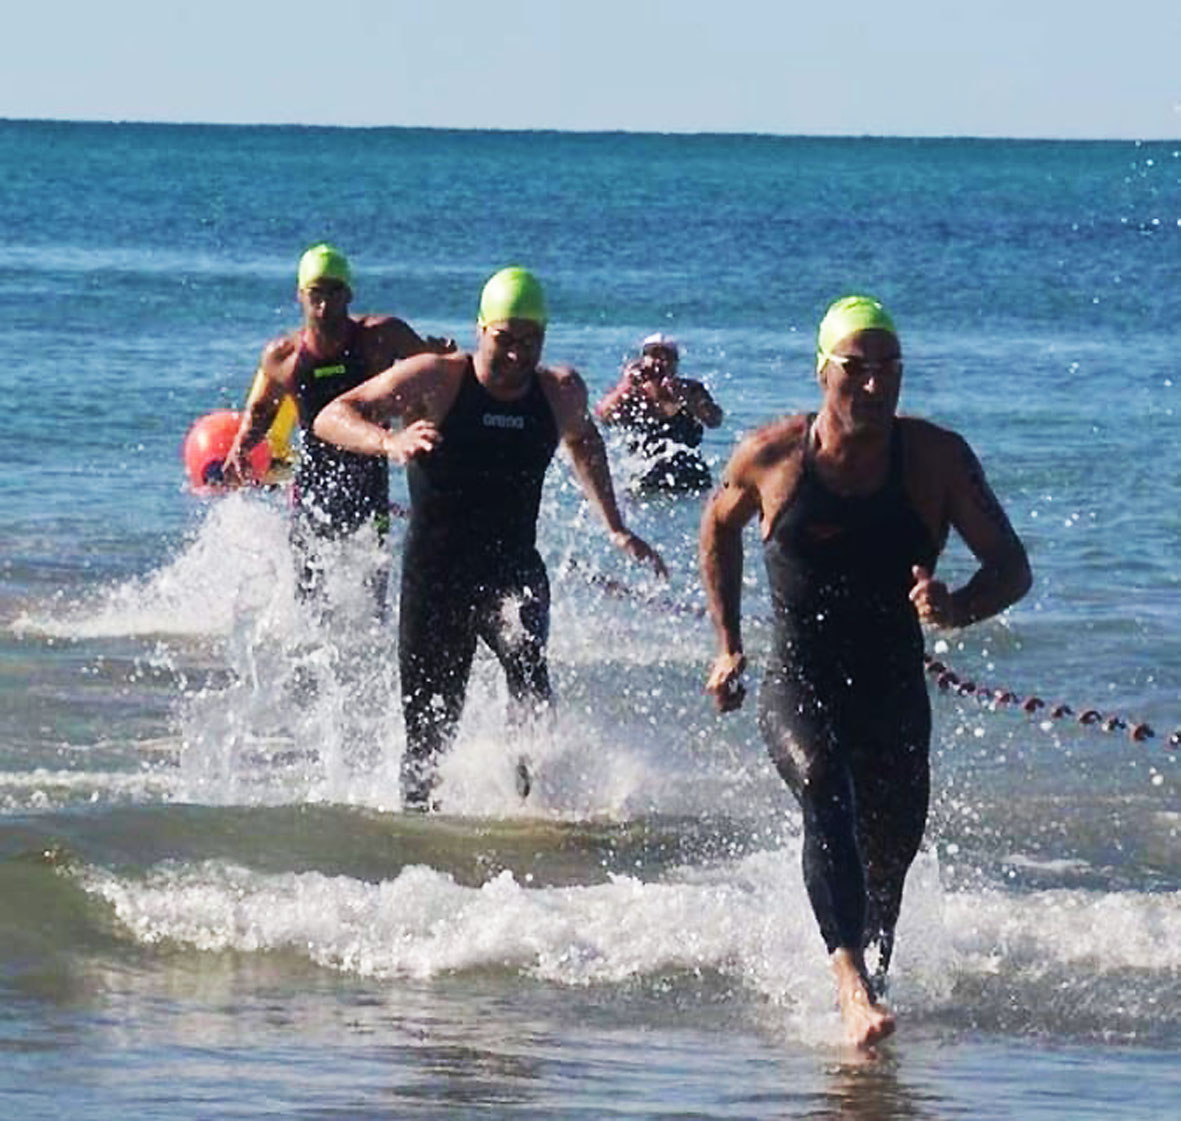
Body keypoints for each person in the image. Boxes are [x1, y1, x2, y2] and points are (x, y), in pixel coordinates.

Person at [699, 295, 1031, 1049]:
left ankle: (869, 990)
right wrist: (726, 643)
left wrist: (957, 606)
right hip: (799, 678)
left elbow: (1011, 567)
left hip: (892, 688)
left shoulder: (935, 458)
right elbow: (716, 527)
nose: (875, 385)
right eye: (856, 369)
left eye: (890, 369)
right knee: (822, 786)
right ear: (822, 371)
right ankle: (848, 989)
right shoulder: (771, 457)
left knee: (888, 865)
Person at [313, 266, 667, 810]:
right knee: (430, 736)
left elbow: (585, 442)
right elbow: (332, 416)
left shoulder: (559, 390)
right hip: (435, 582)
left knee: (528, 663)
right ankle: (417, 840)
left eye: (531, 342)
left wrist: (615, 526)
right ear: (481, 328)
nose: (517, 355)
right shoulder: (436, 378)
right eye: (505, 340)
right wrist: (389, 441)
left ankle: (531, 811)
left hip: (513, 571)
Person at [223, 243, 453, 610]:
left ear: (349, 294)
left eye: (334, 292)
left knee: (372, 597)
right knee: (308, 598)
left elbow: (431, 370)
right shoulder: (282, 357)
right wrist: (241, 448)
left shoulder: (381, 336)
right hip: (313, 485)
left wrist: (443, 357)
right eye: (316, 293)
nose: (325, 305)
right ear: (300, 295)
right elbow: (261, 412)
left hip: (371, 483)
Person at [595, 333, 723, 493]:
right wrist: (626, 385)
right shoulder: (631, 393)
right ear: (643, 361)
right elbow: (603, 415)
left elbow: (715, 420)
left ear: (675, 364)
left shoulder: (691, 389)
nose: (659, 363)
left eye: (666, 357)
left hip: (690, 478)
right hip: (644, 476)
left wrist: (688, 401)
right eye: (654, 355)